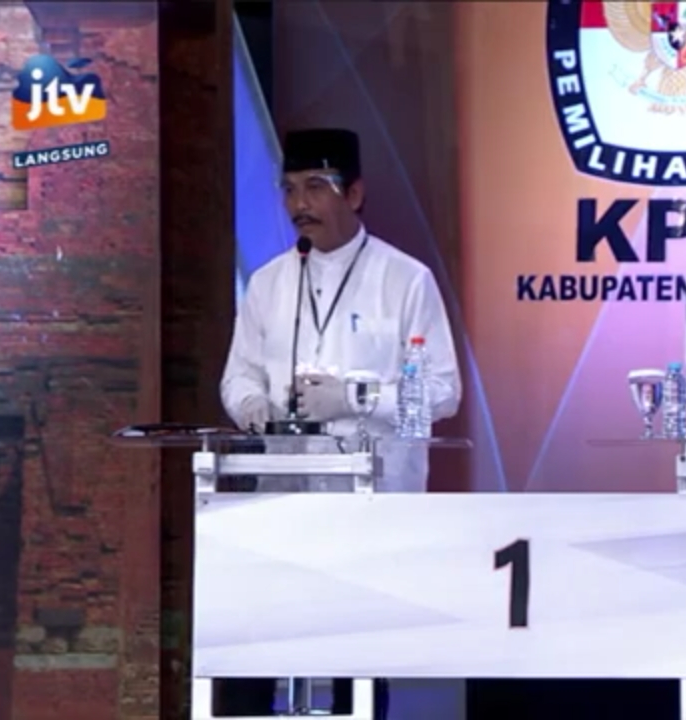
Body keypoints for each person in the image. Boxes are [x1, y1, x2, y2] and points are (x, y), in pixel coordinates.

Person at [215, 128, 462, 717]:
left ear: (354, 194)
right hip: (281, 496)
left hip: (372, 501)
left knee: (358, 655)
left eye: (315, 188)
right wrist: (253, 409)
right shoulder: (270, 282)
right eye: (289, 190)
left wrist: (355, 397)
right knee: (257, 649)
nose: (299, 205)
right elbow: (237, 377)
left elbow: (444, 392)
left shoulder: (405, 279)